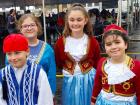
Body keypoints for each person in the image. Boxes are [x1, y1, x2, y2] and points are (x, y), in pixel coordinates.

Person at [54, 3, 101, 105]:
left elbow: (97, 63)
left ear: (85, 20)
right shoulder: (60, 43)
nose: (75, 23)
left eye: (79, 20)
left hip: (89, 82)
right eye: (72, 20)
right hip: (69, 82)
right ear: (67, 21)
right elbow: (58, 62)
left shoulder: (93, 42)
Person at [91, 24, 140, 105]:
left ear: (126, 44)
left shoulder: (136, 66)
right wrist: (93, 101)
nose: (113, 47)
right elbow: (97, 85)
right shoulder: (102, 63)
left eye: (117, 42)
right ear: (105, 48)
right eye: (109, 44)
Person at [0, 34, 53, 105]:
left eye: (17, 53)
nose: (13, 58)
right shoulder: (3, 74)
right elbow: (2, 98)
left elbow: (45, 99)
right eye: (9, 54)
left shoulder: (38, 72)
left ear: (27, 51)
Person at [16, 14, 56, 97]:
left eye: (32, 25)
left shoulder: (48, 49)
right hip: (20, 94)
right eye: (25, 26)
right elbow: (8, 72)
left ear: (38, 27)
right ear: (21, 29)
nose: (29, 28)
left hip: (42, 94)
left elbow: (51, 75)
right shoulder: (14, 48)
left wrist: (51, 94)